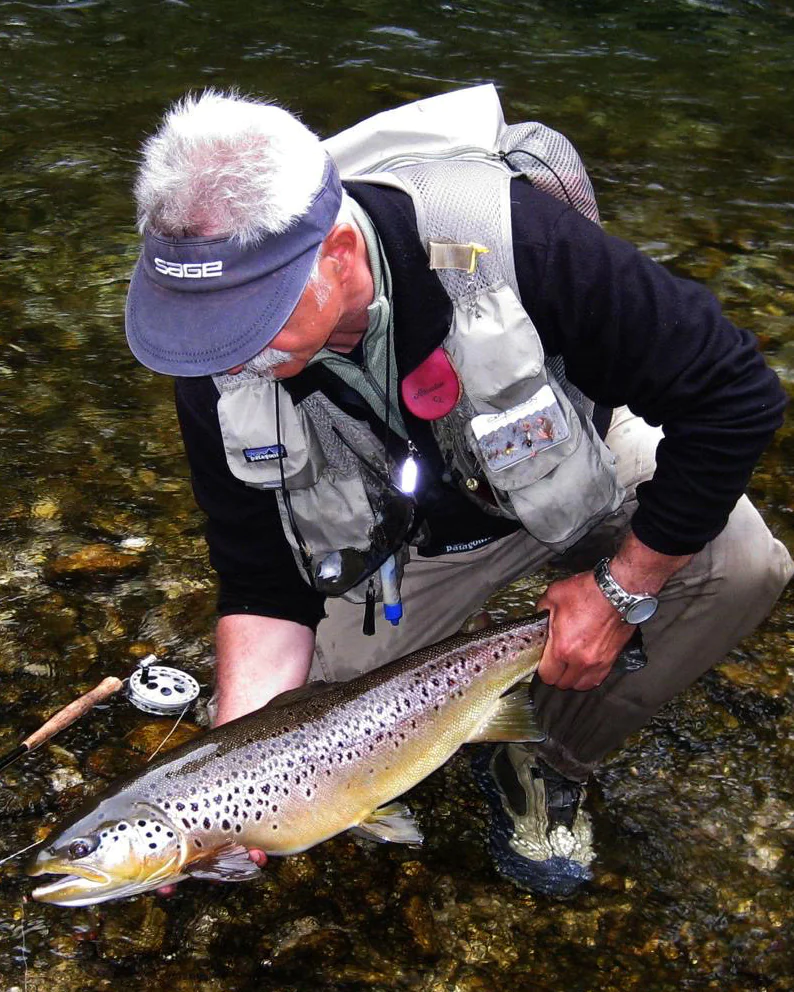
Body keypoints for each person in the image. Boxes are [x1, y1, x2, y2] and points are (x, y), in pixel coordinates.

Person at [124, 88, 792, 896]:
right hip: (404, 538)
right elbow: (262, 579)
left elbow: (734, 394)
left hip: (570, 457)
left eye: (251, 319)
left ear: (338, 252)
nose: (227, 357)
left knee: (742, 562)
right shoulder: (220, 352)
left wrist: (622, 588)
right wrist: (231, 771)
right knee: (308, 705)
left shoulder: (514, 240)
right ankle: (465, 702)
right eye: (203, 326)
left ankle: (545, 760)